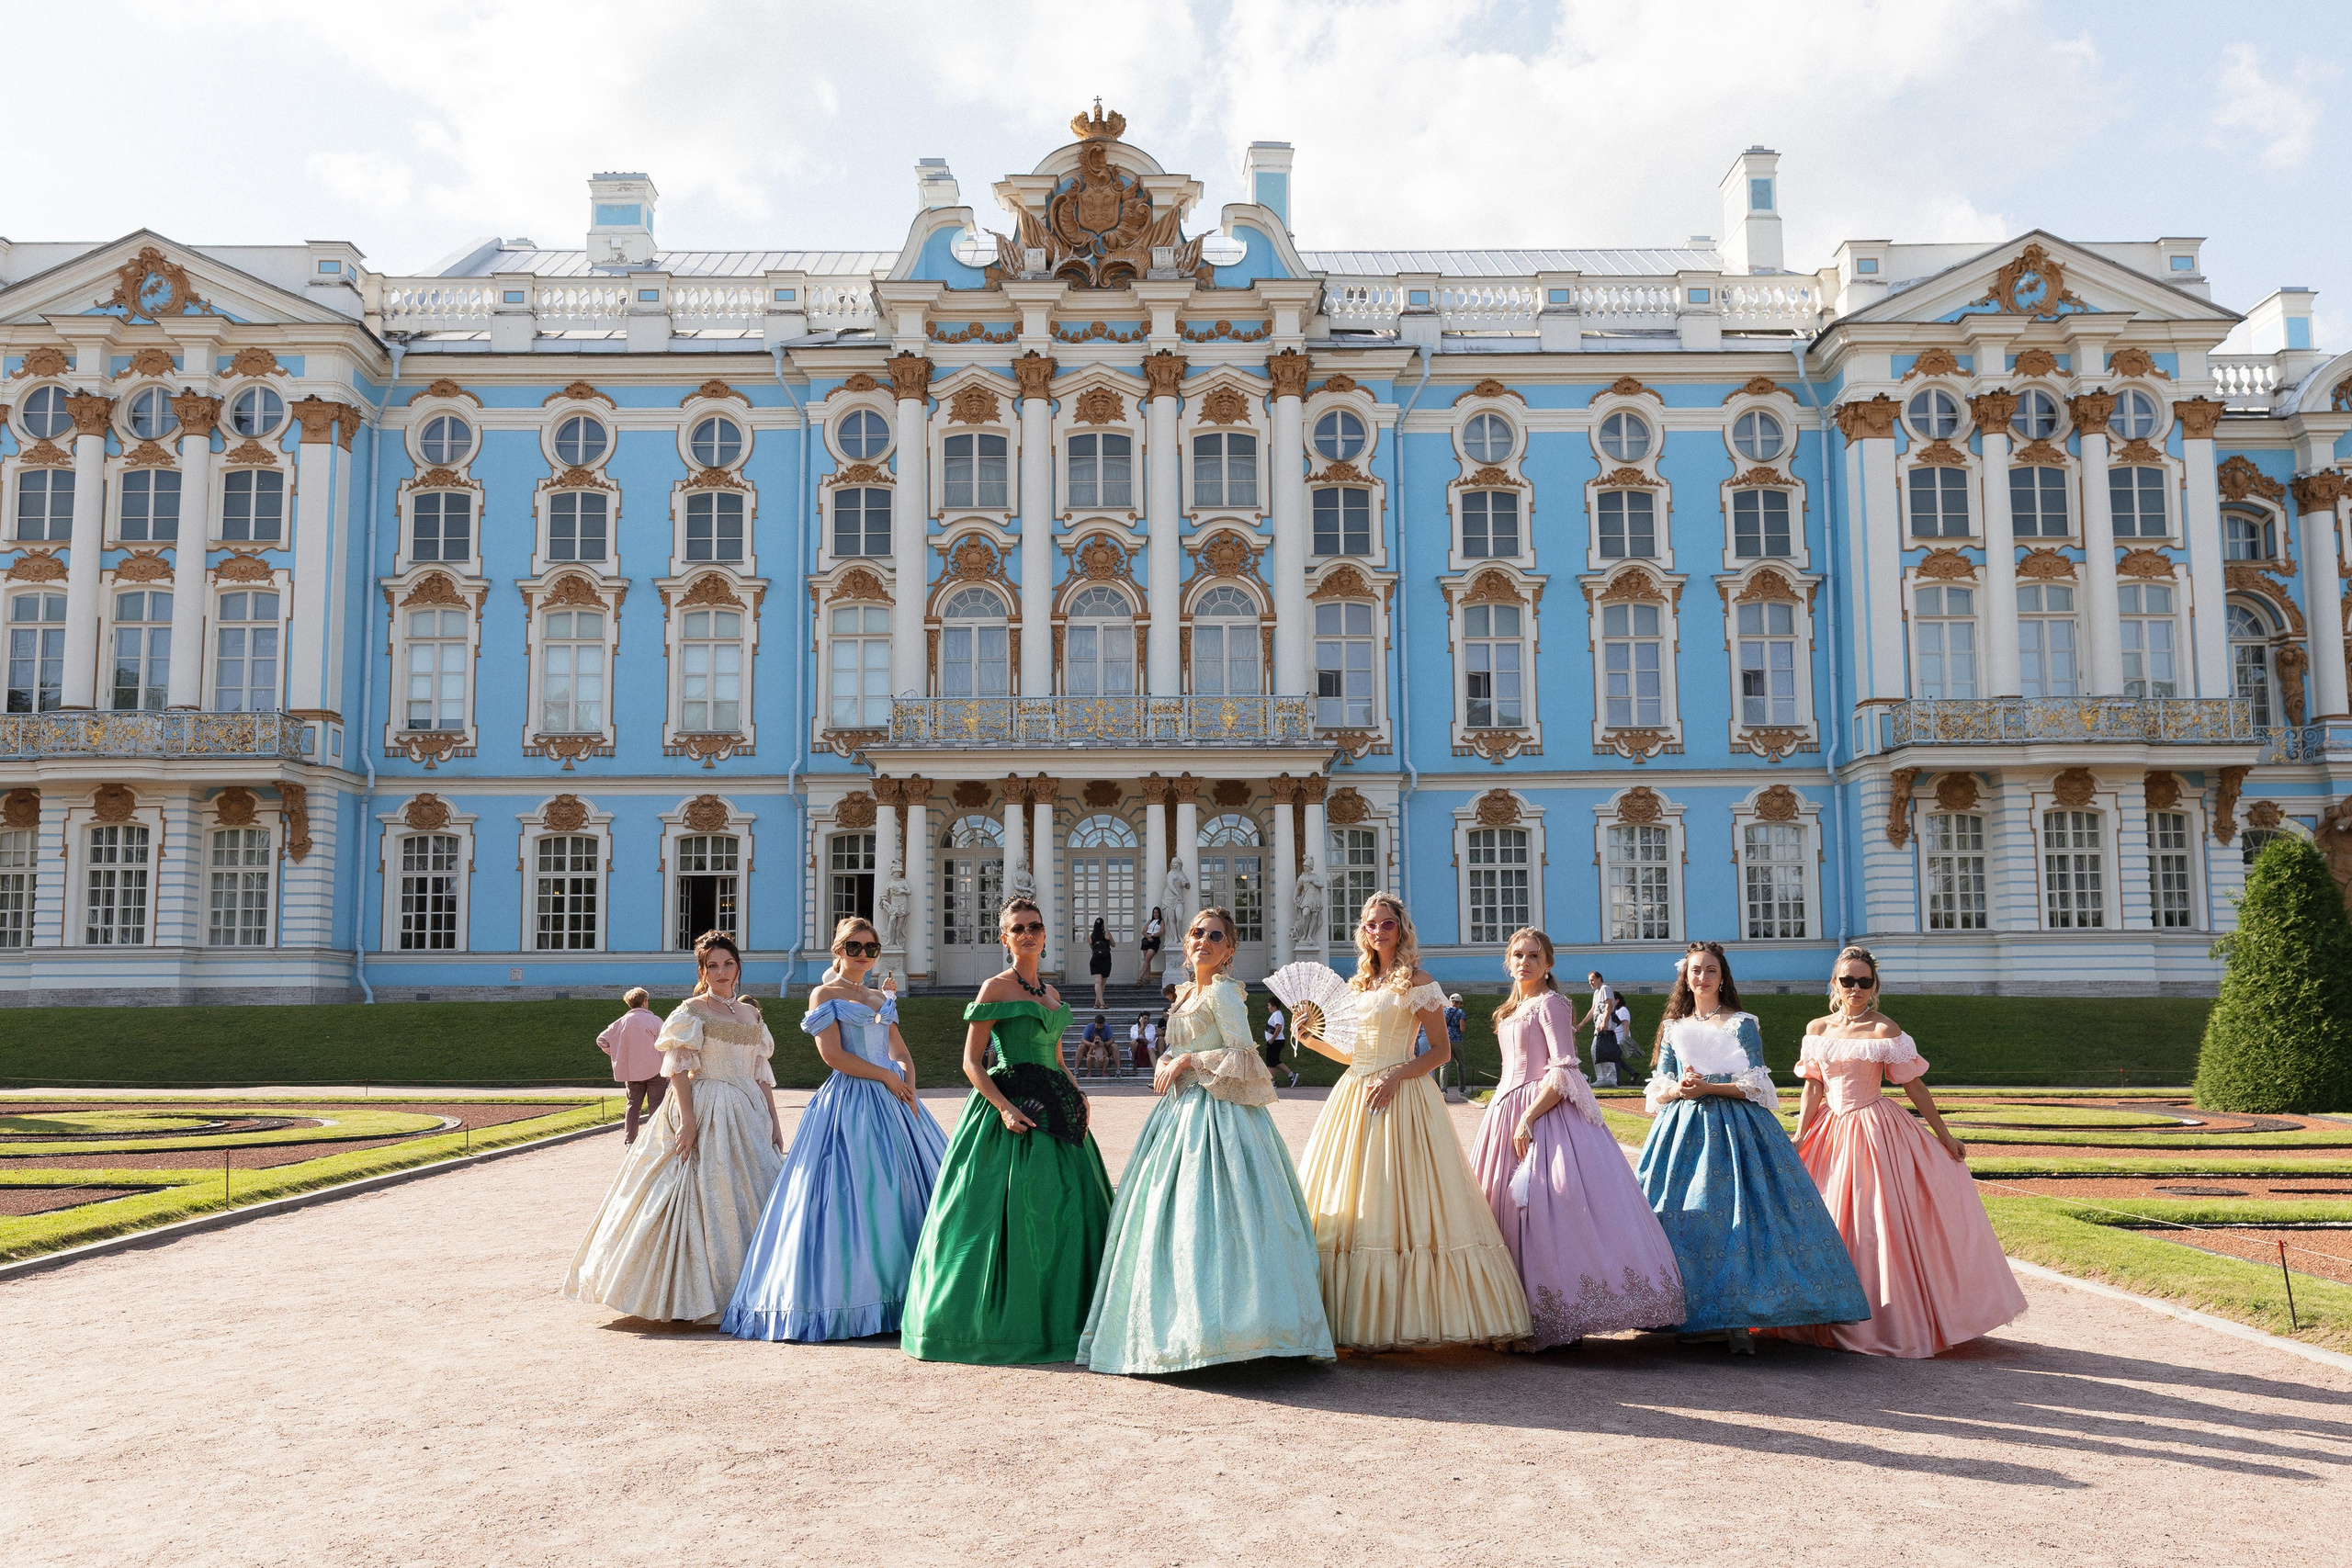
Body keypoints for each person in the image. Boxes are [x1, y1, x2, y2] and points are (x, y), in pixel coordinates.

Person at [1079, 907, 1334, 1374]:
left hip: (1223, 1118)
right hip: (1178, 1115)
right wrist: (1167, 1060)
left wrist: (1188, 1063)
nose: (1204, 941)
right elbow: (1178, 1047)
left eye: (1216, 936)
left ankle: (1242, 1333)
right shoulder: (1183, 996)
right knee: (1171, 1221)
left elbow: (1243, 1054)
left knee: (1224, 1217)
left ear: (1230, 950)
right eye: (1197, 933)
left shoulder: (1224, 992)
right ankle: (1184, 1331)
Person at [1293, 892, 1532, 1350]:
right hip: (1355, 1096)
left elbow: (1440, 1051)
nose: (1378, 931)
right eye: (1369, 925)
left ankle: (1413, 1316)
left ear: (1401, 929)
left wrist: (1398, 1075)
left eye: (1386, 924)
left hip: (1401, 1096)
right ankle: (1348, 1317)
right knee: (1353, 1199)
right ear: (1362, 932)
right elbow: (1352, 1054)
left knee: (1403, 1199)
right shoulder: (1357, 984)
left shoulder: (1418, 981)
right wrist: (1311, 1037)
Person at [1772, 947, 2027, 1358]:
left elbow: (1914, 1086)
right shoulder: (1817, 1028)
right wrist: (1801, 1135)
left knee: (1874, 1225)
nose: (1855, 989)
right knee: (1824, 1215)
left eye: (1864, 982)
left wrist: (1944, 1136)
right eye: (1848, 981)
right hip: (1828, 1131)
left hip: (1874, 1131)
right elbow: (1813, 1087)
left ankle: (1885, 1321)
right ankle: (1817, 1315)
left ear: (1875, 987)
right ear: (1835, 984)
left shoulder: (1884, 1030)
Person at [900, 897, 1113, 1364]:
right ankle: (995, 1326)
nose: (1028, 934)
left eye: (1034, 926)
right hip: (1007, 1113)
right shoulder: (994, 988)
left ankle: (1066, 1321)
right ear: (1004, 938)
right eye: (1017, 928)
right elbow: (972, 1062)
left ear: (1044, 933)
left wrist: (1077, 1098)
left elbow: (1057, 1061)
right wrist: (1002, 1108)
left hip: (1059, 1117)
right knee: (1007, 1214)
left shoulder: (1053, 996)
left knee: (1067, 1211)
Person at [1634, 942, 1868, 1353]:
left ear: (1722, 976)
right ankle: (1689, 1314)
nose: (1702, 977)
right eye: (1695, 971)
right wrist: (1679, 1088)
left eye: (1710, 970)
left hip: (1738, 1130)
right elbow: (1658, 1085)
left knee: (1742, 1219)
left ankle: (1741, 1319)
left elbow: (1758, 1085)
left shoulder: (1742, 1023)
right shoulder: (1674, 1027)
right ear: (1685, 978)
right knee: (1686, 1217)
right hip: (1682, 1130)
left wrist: (1710, 1087)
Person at [722, 917, 948, 1342]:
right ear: (837, 950)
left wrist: (907, 1078)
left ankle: (907, 1300)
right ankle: (851, 1302)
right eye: (854, 947)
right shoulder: (823, 994)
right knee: (852, 1193)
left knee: (906, 1189)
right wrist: (885, 1077)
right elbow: (833, 1056)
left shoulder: (882, 996)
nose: (862, 955)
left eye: (870, 948)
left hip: (894, 1098)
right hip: (849, 1100)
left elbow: (897, 1048)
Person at [1467, 930, 1685, 1349]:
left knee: (1550, 1210)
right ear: (1508, 962)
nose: (1525, 962)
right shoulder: (1509, 1010)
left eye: (1534, 956)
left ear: (1549, 964)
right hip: (1503, 1111)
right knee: (1503, 1209)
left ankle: (1556, 1320)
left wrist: (1529, 1117)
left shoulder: (1552, 1004)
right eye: (1518, 955)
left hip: (1544, 1113)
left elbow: (1564, 1069)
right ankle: (1510, 1315)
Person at [564, 931, 786, 1324]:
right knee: (699, 1194)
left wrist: (774, 1120)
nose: (721, 971)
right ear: (702, 971)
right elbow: (679, 1069)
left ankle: (759, 1288)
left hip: (747, 1110)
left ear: (738, 967)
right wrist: (687, 1121)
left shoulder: (751, 1015)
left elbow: (759, 1072)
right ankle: (694, 1295)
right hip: (704, 1105)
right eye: (712, 965)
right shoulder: (690, 1010)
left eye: (728, 963)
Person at [595, 987, 665, 1144]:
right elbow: (664, 1045)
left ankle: (630, 1140)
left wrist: (615, 1053)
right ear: (645, 1001)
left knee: (633, 1106)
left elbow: (601, 1040)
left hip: (632, 1071)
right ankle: (654, 1140)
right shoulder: (655, 1020)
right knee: (656, 1105)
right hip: (655, 1070)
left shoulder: (621, 1022)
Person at [1577, 972, 1623, 1088]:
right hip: (1600, 1021)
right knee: (1600, 1050)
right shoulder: (1597, 992)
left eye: (1592, 980)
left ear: (1599, 978)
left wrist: (1604, 1022)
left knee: (1601, 1049)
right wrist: (1583, 1023)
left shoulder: (1605, 989)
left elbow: (1608, 1006)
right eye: (1589, 981)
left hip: (1605, 1022)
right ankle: (1606, 1079)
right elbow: (1593, 1010)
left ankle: (1607, 1079)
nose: (1590, 983)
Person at [1262, 1000, 1297, 1088]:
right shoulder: (1276, 1014)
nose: (1268, 1007)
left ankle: (1272, 1083)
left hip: (1275, 1041)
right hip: (1277, 1041)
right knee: (1275, 1061)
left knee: (1271, 1063)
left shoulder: (1276, 1015)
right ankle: (1291, 1075)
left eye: (1269, 1005)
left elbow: (1278, 1027)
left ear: (1274, 1006)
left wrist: (1272, 1039)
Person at [1088, 916, 1114, 1010]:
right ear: (1103, 925)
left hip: (1095, 959)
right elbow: (1113, 944)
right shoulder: (1107, 933)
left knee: (1097, 982)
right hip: (1106, 959)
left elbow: (1092, 948)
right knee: (1102, 983)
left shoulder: (1091, 936)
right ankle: (1102, 1004)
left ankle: (1097, 1004)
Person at [1079, 1012, 1115, 1077]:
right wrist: (1091, 1044)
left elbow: (1112, 1039)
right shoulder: (1089, 1027)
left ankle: (1115, 1069)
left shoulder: (1107, 1027)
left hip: (1103, 1052)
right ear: (1094, 1023)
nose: (1099, 1027)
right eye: (1097, 1026)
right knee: (1081, 1046)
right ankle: (1077, 1069)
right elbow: (1083, 1040)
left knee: (1115, 1046)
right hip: (1092, 1053)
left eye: (1101, 1026)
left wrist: (1104, 1044)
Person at [1139, 907, 1166, 980]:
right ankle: (1147, 978)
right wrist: (1148, 937)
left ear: (1159, 913)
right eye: (1154, 912)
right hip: (1147, 939)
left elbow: (1162, 932)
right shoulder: (1150, 921)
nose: (1155, 914)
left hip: (1155, 940)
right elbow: (1144, 931)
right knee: (1147, 960)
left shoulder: (1161, 921)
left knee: (1147, 959)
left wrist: (1152, 935)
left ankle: (1140, 977)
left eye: (1157, 912)